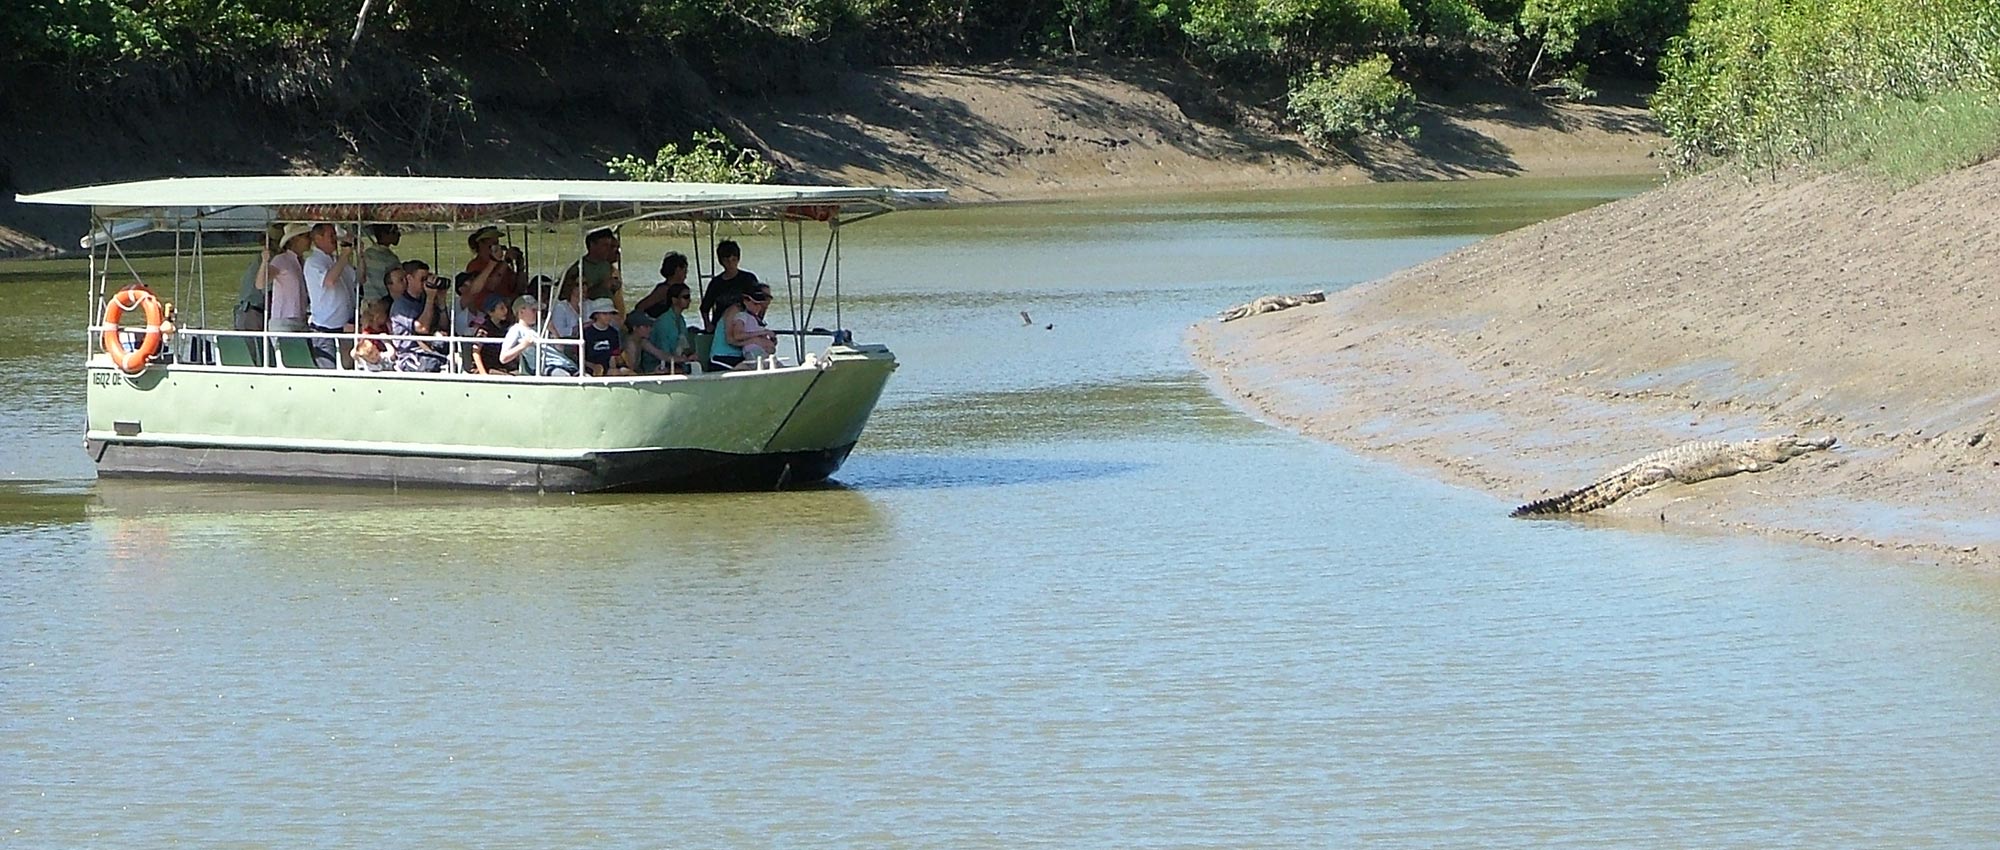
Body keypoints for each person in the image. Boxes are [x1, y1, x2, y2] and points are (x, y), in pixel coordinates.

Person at [304, 223, 359, 368]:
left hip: (344, 327)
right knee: (329, 372)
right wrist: (345, 255)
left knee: (348, 370)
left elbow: (359, 278)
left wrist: (360, 254)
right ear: (318, 238)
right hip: (325, 330)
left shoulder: (335, 260)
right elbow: (329, 281)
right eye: (331, 236)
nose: (335, 239)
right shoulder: (313, 262)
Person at [389, 260, 450, 373]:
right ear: (409, 279)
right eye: (422, 279)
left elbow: (444, 325)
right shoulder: (400, 305)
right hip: (411, 354)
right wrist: (430, 299)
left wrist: (441, 301)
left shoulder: (424, 299)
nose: (425, 283)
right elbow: (423, 329)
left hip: (431, 348)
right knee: (432, 364)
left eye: (427, 279)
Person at [501, 295, 578, 377]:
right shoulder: (516, 329)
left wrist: (554, 332)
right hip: (546, 367)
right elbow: (503, 358)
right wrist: (523, 345)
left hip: (566, 363)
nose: (537, 313)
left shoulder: (543, 326)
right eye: (533, 310)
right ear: (521, 311)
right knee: (564, 377)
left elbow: (560, 348)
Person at [709, 285, 777, 370]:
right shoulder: (735, 310)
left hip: (741, 356)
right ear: (746, 300)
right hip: (722, 357)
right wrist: (754, 341)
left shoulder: (750, 314)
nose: (759, 306)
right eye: (756, 303)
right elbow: (730, 339)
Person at [265, 223, 313, 338]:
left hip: (301, 320)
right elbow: (261, 283)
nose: (310, 240)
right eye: (306, 236)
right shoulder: (281, 260)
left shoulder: (303, 262)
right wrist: (264, 262)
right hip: (284, 322)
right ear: (295, 240)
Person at [700, 239, 759, 330]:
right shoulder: (716, 283)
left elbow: (759, 302)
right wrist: (708, 325)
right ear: (721, 261)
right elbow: (704, 308)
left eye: (733, 260)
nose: (731, 264)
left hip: (744, 326)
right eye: (727, 260)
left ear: (738, 259)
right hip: (721, 326)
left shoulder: (749, 279)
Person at [633, 282, 693, 373]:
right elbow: (663, 352)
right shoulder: (664, 322)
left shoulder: (681, 320)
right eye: (686, 297)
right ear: (674, 300)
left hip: (675, 361)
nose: (690, 300)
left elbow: (684, 346)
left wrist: (690, 356)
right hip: (657, 364)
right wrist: (683, 359)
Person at [564, 228, 625, 316]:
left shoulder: (607, 265)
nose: (608, 249)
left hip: (609, 311)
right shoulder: (578, 268)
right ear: (592, 245)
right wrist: (601, 286)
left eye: (609, 245)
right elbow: (569, 297)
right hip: (590, 313)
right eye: (605, 245)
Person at [233, 225, 281, 334]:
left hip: (244, 311)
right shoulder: (271, 260)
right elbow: (268, 292)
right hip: (253, 313)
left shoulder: (260, 258)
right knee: (257, 349)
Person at [464, 225, 524, 304]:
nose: (498, 246)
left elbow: (519, 288)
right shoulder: (474, 265)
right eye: (494, 243)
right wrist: (505, 261)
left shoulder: (501, 265)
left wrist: (520, 267)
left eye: (497, 243)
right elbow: (490, 286)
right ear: (481, 243)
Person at [580, 298, 631, 376]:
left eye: (610, 313)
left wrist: (613, 367)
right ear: (596, 315)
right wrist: (594, 367)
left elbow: (613, 355)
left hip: (609, 368)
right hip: (590, 370)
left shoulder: (613, 333)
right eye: (604, 314)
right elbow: (578, 357)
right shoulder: (586, 333)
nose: (608, 317)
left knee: (628, 372)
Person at [632, 251, 689, 319]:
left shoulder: (678, 289)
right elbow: (640, 307)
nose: (686, 276)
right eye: (684, 272)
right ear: (677, 270)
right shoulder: (663, 290)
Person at [470, 295, 514, 375]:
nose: (505, 310)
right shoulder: (483, 330)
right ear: (490, 312)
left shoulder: (505, 327)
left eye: (505, 307)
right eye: (501, 308)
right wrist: (483, 373)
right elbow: (475, 352)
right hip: (487, 368)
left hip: (501, 367)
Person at [360, 224, 402, 304]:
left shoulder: (367, 253)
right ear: (384, 235)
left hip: (368, 301)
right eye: (394, 231)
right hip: (383, 303)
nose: (399, 234)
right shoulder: (391, 259)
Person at [351, 296, 394, 372]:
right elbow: (355, 352)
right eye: (385, 313)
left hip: (384, 357)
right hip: (375, 359)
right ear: (377, 317)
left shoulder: (385, 327)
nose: (387, 316)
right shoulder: (367, 334)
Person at [547, 274, 583, 339]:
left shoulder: (588, 304)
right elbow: (559, 331)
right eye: (579, 284)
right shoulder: (561, 307)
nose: (584, 287)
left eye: (585, 284)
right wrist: (579, 328)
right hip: (567, 343)